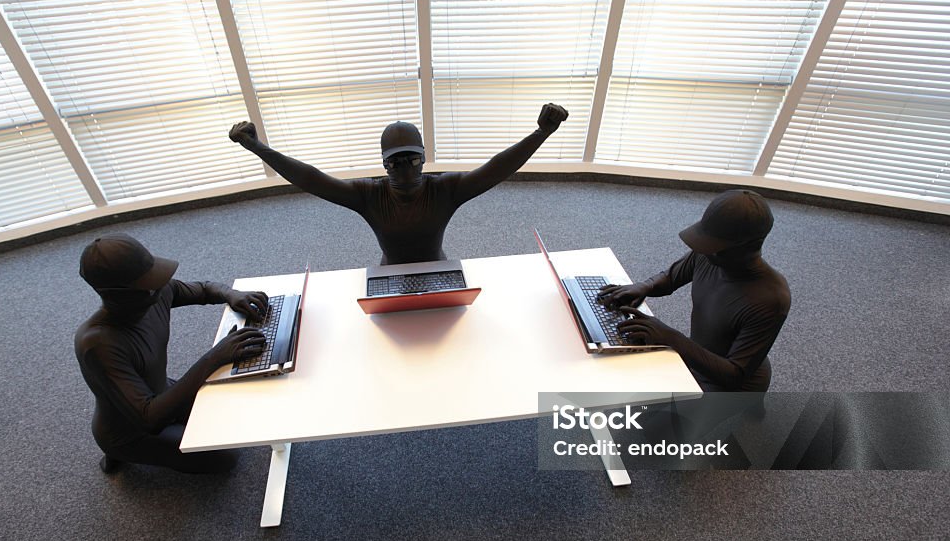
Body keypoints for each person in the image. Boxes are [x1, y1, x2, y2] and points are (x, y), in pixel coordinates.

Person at [229, 104, 569, 265]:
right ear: (383, 164)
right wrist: (257, 147)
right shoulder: (367, 195)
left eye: (412, 160)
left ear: (424, 158)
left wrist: (542, 133)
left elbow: (495, 168)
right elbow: (311, 178)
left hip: (439, 266)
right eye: (395, 162)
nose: (405, 169)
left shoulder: (445, 189)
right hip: (388, 273)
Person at [75, 233, 269, 474]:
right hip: (132, 431)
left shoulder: (153, 293)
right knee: (227, 457)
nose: (159, 286)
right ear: (119, 293)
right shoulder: (97, 344)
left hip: (160, 392)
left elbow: (204, 289)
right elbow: (149, 419)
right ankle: (119, 455)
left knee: (235, 417)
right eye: (147, 284)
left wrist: (231, 294)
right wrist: (215, 356)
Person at [598, 190, 791, 393]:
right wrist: (644, 286)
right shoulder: (710, 255)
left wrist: (670, 337)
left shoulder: (772, 299)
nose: (705, 250)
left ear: (748, 246)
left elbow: (735, 375)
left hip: (731, 383)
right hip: (697, 356)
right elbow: (672, 277)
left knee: (656, 421)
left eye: (714, 246)